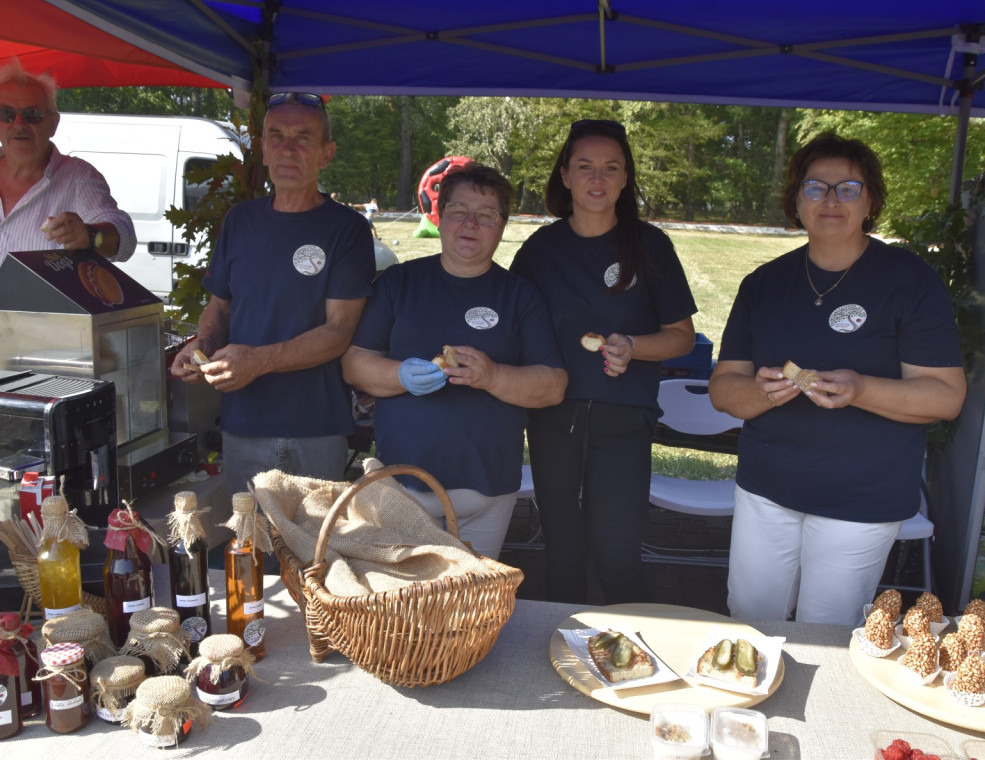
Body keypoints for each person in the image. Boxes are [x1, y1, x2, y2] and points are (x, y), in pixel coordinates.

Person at [708, 132, 967, 626]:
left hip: (862, 496)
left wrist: (861, 389)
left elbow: (946, 396)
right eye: (815, 187)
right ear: (796, 201)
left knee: (826, 630)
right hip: (768, 488)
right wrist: (762, 393)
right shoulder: (763, 284)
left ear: (869, 201)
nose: (830, 200)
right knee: (749, 616)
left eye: (848, 188)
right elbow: (724, 388)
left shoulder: (909, 282)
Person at [510, 119, 697, 603]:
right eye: (585, 167)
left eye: (611, 168)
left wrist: (634, 347)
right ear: (566, 176)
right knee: (563, 552)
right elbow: (515, 335)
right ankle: (558, 656)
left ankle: (630, 656)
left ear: (625, 178)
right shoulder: (540, 251)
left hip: (625, 420)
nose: (598, 179)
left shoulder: (649, 245)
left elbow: (680, 338)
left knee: (617, 555)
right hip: (554, 419)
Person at [342, 163, 567, 559]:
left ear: (502, 227)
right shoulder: (398, 284)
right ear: (439, 216)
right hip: (400, 487)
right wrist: (400, 374)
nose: (471, 223)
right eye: (458, 211)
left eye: (486, 215)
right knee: (401, 606)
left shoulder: (520, 296)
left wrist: (493, 375)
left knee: (468, 610)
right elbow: (355, 363)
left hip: (487, 492)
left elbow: (552, 386)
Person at [171, 91, 375, 503]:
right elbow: (220, 306)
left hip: (316, 423)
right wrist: (203, 347)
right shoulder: (241, 221)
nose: (287, 148)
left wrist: (257, 360)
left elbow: (339, 331)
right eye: (276, 136)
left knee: (315, 557)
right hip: (243, 420)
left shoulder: (346, 229)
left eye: (303, 137)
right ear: (263, 149)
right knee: (248, 552)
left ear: (326, 154)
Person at [0, 59, 135, 264]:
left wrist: (91, 236)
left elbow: (125, 239)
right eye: (6, 114)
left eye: (33, 115)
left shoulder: (79, 177)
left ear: (53, 124)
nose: (19, 124)